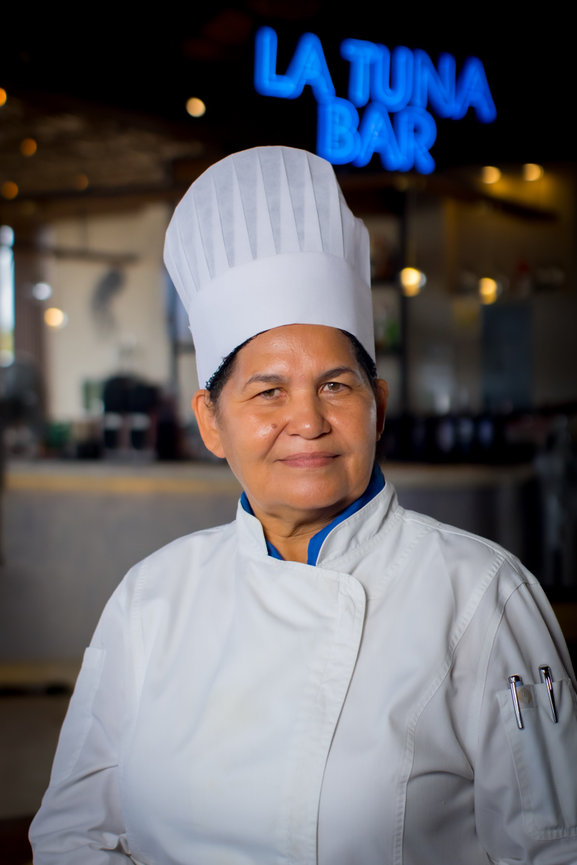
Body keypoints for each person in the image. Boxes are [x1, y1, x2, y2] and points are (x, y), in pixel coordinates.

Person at [30, 146, 577, 864]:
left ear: (378, 406)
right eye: (268, 392)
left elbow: (553, 849)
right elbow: (75, 833)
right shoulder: (151, 597)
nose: (308, 422)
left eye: (335, 386)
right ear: (210, 422)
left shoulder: (479, 596)